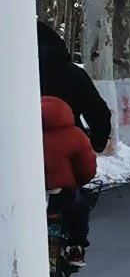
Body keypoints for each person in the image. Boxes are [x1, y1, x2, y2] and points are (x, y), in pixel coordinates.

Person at [37, 19, 111, 155]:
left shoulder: (15, 79)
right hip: (69, 151)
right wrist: (96, 144)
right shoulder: (73, 74)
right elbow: (99, 112)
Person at [41, 95, 97, 251]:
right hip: (63, 194)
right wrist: (80, 181)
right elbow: (86, 167)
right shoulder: (75, 135)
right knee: (80, 212)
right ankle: (76, 249)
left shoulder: (25, 136)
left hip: (31, 195)